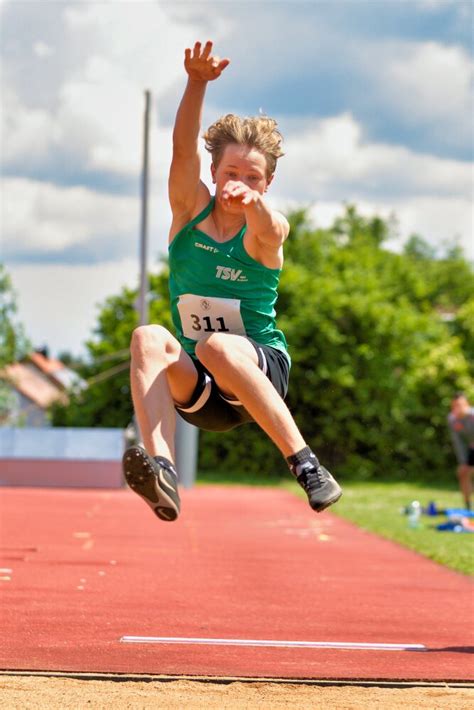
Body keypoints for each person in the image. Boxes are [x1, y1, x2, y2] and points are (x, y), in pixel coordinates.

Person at [122, 41, 342, 521]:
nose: (238, 182)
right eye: (230, 173)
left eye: (252, 176)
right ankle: (163, 470)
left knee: (220, 346)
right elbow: (182, 151)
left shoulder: (266, 229)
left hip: (261, 372)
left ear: (268, 184)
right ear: (214, 173)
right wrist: (196, 82)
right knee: (148, 337)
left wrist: (254, 205)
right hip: (204, 392)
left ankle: (306, 465)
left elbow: (272, 228)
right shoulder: (189, 213)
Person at [448, 393, 474, 510]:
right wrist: (463, 461)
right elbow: (458, 442)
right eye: (454, 406)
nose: (457, 408)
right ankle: (468, 507)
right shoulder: (453, 419)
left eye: (460, 405)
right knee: (463, 472)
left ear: (467, 404)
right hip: (471, 447)